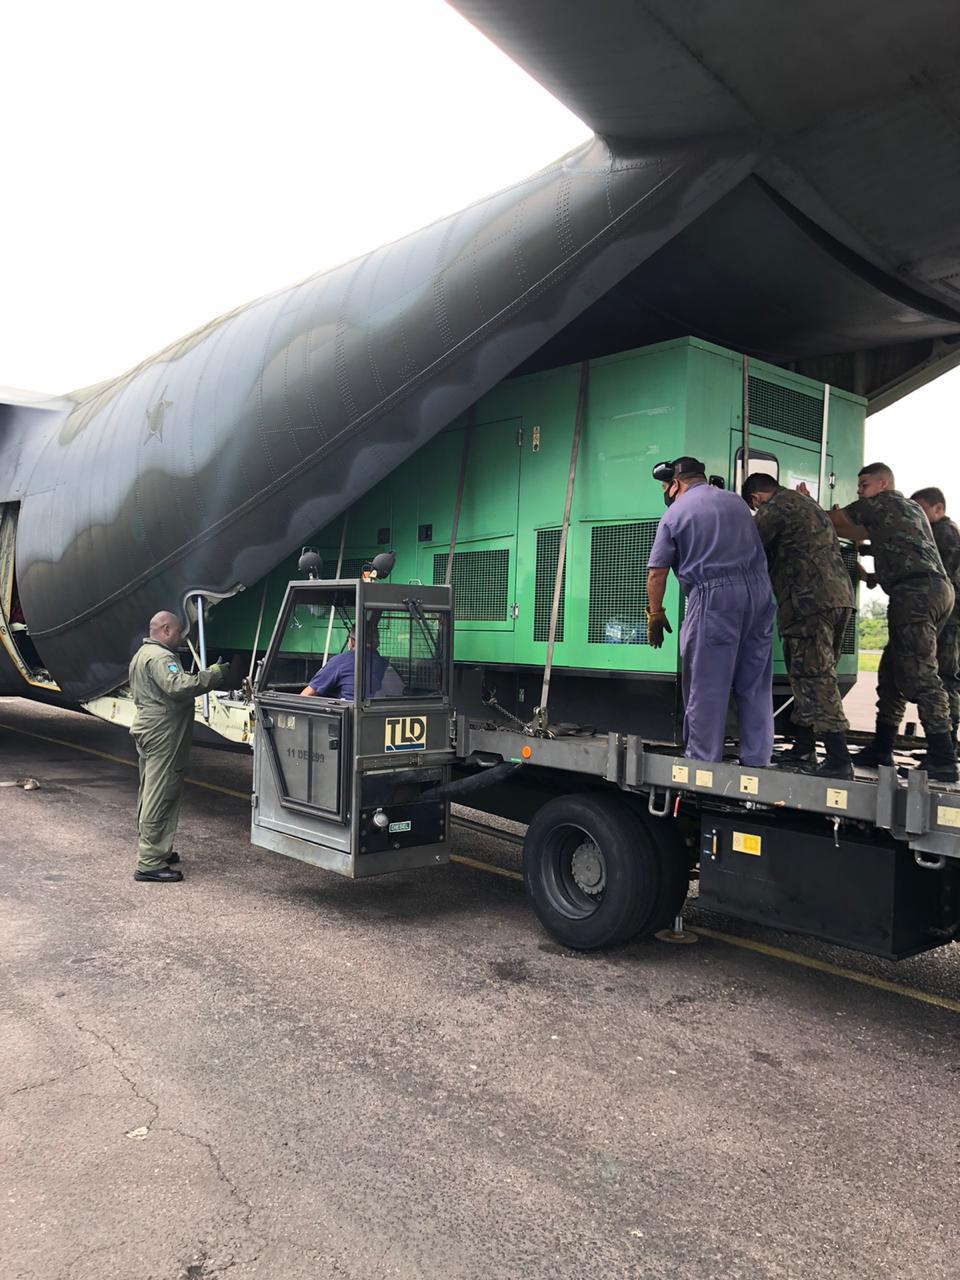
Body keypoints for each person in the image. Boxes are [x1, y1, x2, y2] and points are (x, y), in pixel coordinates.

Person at [828, 463, 957, 782]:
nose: (860, 491)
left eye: (864, 485)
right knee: (891, 672)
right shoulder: (910, 509)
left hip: (914, 593)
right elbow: (866, 535)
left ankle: (943, 756)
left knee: (920, 673)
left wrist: (807, 503)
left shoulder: (880, 503)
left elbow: (833, 521)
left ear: (883, 484)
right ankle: (882, 747)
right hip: (934, 591)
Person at [646, 456, 775, 765]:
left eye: (665, 487)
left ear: (676, 483)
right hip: (760, 594)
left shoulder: (676, 512)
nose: (666, 492)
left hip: (714, 596)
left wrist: (656, 613)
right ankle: (757, 759)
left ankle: (701, 764)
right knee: (755, 683)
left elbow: (657, 573)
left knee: (707, 685)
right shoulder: (736, 502)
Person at [742, 473, 856, 778]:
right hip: (839, 597)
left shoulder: (774, 509)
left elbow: (747, 547)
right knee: (807, 674)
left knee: (815, 676)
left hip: (808, 601)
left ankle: (838, 758)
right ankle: (804, 747)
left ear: (756, 497)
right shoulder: (807, 504)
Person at [129, 611, 231, 883]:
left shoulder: (143, 654)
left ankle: (157, 848)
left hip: (150, 728)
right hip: (163, 733)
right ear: (165, 630)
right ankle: (150, 862)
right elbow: (178, 686)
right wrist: (213, 675)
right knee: (161, 792)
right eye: (177, 631)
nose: (181, 637)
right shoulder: (161, 657)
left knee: (150, 789)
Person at [911, 486, 960, 742]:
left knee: (946, 674)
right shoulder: (945, 531)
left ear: (938, 509)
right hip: (948, 614)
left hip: (950, 617)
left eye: (920, 509)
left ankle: (948, 741)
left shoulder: (942, 532)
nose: (916, 515)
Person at [301, 628, 403, 700]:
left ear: (352, 641)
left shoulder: (340, 661)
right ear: (377, 644)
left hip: (350, 720)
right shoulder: (385, 665)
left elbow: (306, 695)